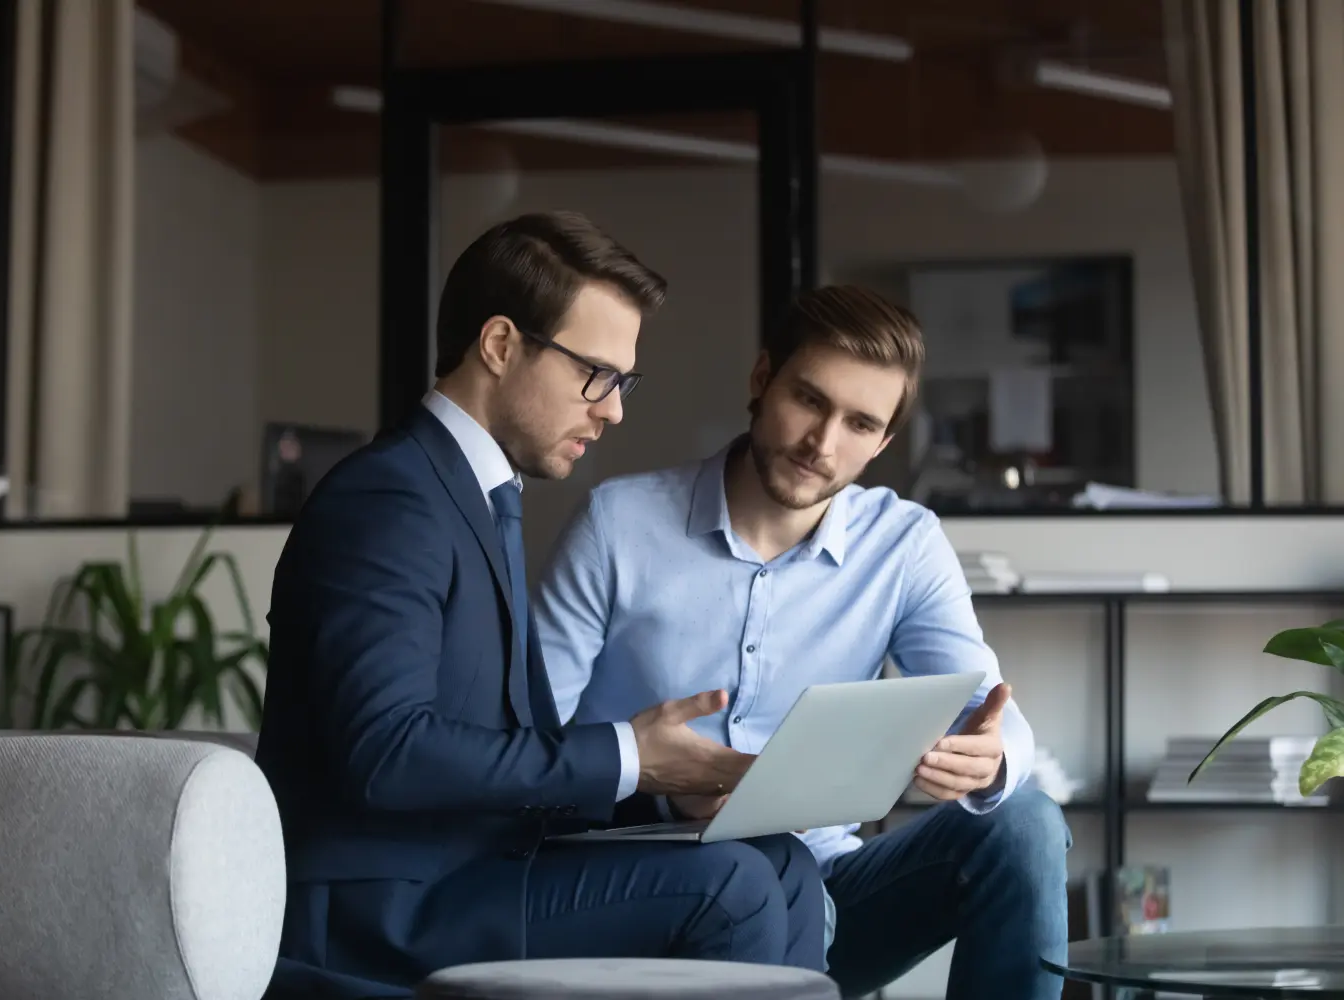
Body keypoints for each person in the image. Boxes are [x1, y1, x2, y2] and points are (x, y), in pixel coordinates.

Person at [254, 211, 827, 1000]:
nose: (614, 409)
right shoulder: (389, 499)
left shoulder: (471, 497)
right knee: (730, 885)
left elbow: (493, 751)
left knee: (782, 862)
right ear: (498, 345)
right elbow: (384, 752)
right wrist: (627, 754)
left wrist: (658, 786)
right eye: (596, 374)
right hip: (383, 905)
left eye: (623, 381)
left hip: (475, 867)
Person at [534, 284, 1072, 1000]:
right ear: (762, 380)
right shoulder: (617, 525)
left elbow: (991, 711)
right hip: (642, 881)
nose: (823, 444)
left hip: (821, 884)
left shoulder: (905, 544)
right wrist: (658, 788)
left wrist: (990, 757)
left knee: (1025, 823)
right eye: (810, 401)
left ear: (883, 441)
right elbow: (527, 748)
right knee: (765, 878)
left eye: (859, 423)